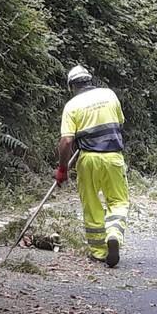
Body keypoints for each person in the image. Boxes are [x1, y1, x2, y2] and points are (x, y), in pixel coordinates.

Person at [56, 65, 129, 268]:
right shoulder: (109, 95)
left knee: (91, 204)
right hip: (113, 157)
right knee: (118, 202)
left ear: (71, 86)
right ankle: (114, 234)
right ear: (90, 80)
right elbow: (119, 123)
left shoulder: (71, 106)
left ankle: (98, 252)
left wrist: (62, 169)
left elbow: (66, 141)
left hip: (88, 160)